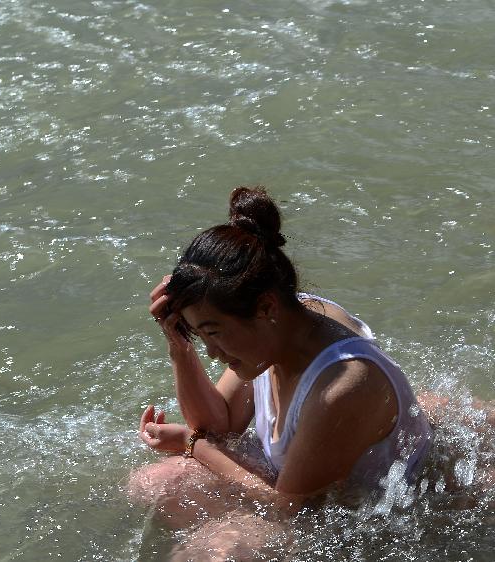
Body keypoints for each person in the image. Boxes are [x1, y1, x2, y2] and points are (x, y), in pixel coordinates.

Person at [129, 186, 433, 552]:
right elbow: (217, 425)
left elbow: (289, 509)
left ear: (266, 308)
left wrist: (191, 444)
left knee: (215, 551)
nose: (211, 352)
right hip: (297, 491)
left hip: (365, 515)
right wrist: (179, 347)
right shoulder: (277, 331)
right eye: (198, 334)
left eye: (212, 333)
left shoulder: (343, 386)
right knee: (155, 483)